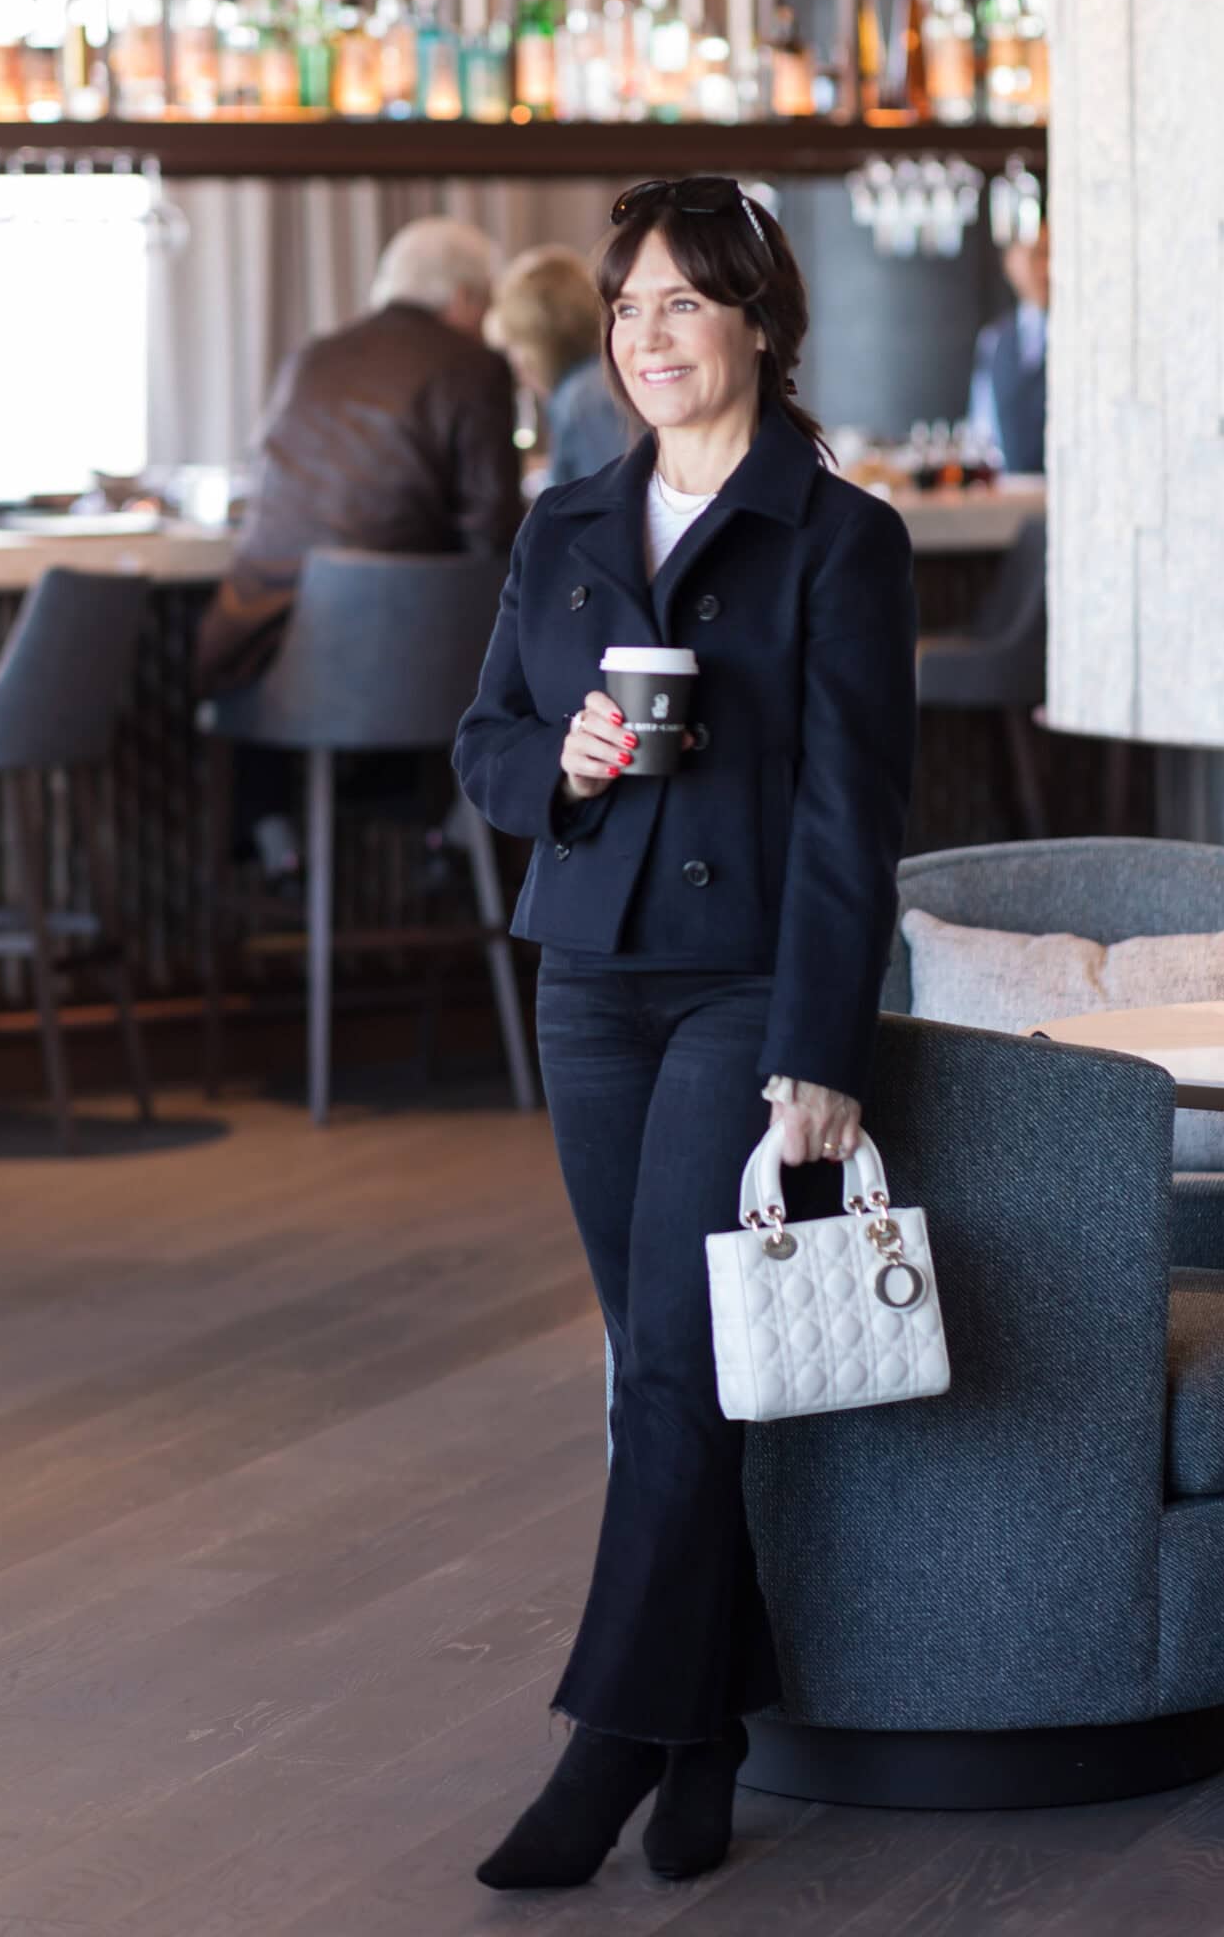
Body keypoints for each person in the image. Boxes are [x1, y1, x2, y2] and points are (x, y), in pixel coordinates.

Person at [454, 175, 916, 1890]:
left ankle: (604, 1751)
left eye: (682, 305)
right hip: (588, 977)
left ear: (758, 324)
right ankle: (707, 1729)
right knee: (662, 1358)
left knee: (668, 1360)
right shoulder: (565, 523)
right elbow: (482, 745)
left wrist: (821, 1045)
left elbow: (849, 818)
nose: (649, 338)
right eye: (625, 308)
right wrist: (557, 766)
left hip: (740, 989)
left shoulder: (838, 537)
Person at [196, 215, 522, 695]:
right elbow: (492, 529)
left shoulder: (313, 356)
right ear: (465, 298)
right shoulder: (474, 367)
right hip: (398, 658)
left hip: (256, 651)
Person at [487, 244, 627, 487]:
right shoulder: (592, 383)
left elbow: (609, 499)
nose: (515, 363)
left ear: (538, 343)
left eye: (515, 347)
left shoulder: (583, 400)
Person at [967, 217, 1048, 473]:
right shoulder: (995, 338)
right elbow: (981, 425)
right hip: (1011, 490)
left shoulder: (1087, 337)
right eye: (1039, 255)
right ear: (1011, 262)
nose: (1048, 268)